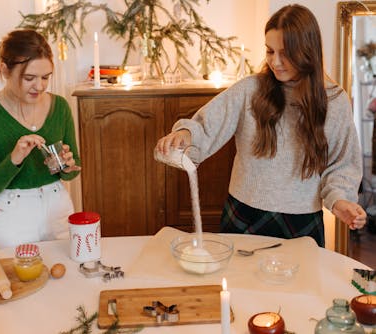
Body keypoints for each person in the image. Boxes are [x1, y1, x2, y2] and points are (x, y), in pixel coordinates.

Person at [155, 4, 366, 247]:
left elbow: (343, 164)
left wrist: (340, 201)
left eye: (285, 53)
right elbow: (207, 125)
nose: (275, 62)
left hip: (302, 221)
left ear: (308, 51)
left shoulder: (335, 101)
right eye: (269, 51)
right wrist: (185, 133)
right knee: (237, 283)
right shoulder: (249, 89)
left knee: (299, 285)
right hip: (243, 214)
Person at [0, 29, 81, 249]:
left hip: (58, 209)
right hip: (10, 217)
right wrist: (14, 159)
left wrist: (67, 165)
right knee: (15, 280)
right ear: (5, 70)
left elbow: (73, 171)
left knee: (64, 276)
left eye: (46, 77)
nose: (39, 86)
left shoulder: (60, 107)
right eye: (29, 78)